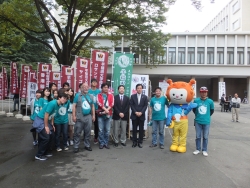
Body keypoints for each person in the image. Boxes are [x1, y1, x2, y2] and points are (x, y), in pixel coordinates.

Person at [32, 92, 68, 161]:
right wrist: (46, 126)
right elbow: (46, 114)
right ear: (59, 98)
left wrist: (52, 124)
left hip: (46, 121)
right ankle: (39, 155)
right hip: (40, 119)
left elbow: (52, 115)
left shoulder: (58, 105)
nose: (64, 100)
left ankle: (45, 152)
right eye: (63, 98)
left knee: (52, 135)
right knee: (46, 137)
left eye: (66, 99)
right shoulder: (53, 103)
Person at [72, 83, 95, 153]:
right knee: (77, 132)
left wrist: (93, 115)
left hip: (88, 116)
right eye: (84, 87)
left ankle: (87, 145)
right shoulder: (77, 96)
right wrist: (73, 115)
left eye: (87, 87)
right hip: (79, 116)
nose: (85, 88)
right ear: (81, 88)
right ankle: (76, 146)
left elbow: (92, 106)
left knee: (88, 132)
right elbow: (74, 106)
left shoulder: (90, 96)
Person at [192, 86, 214, 157]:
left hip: (206, 122)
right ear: (200, 93)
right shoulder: (196, 101)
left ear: (207, 92)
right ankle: (198, 149)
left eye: (205, 92)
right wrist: (198, 116)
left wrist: (207, 116)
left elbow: (211, 111)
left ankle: (204, 150)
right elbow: (194, 110)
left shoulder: (210, 101)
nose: (204, 93)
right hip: (198, 121)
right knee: (198, 136)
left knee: (205, 137)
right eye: (202, 92)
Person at [130, 84, 148, 148]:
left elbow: (145, 106)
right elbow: (131, 105)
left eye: (140, 88)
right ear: (136, 89)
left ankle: (140, 142)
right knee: (134, 129)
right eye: (138, 88)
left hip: (141, 115)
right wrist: (135, 112)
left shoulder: (145, 97)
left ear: (142, 89)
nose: (139, 89)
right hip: (134, 115)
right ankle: (134, 142)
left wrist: (141, 112)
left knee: (141, 129)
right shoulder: (132, 96)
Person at [96, 83, 114, 149]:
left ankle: (106, 143)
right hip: (101, 114)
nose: (106, 88)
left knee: (107, 130)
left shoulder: (111, 95)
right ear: (102, 88)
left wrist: (107, 110)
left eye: (107, 87)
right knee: (101, 130)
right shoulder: (99, 95)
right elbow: (99, 103)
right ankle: (101, 143)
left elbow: (112, 103)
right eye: (104, 87)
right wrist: (105, 110)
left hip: (108, 114)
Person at [88, 78, 101, 144]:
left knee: (96, 125)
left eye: (95, 82)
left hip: (96, 110)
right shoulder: (88, 91)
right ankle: (87, 138)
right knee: (88, 125)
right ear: (91, 83)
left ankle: (96, 137)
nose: (94, 83)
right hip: (89, 110)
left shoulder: (99, 91)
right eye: (93, 82)